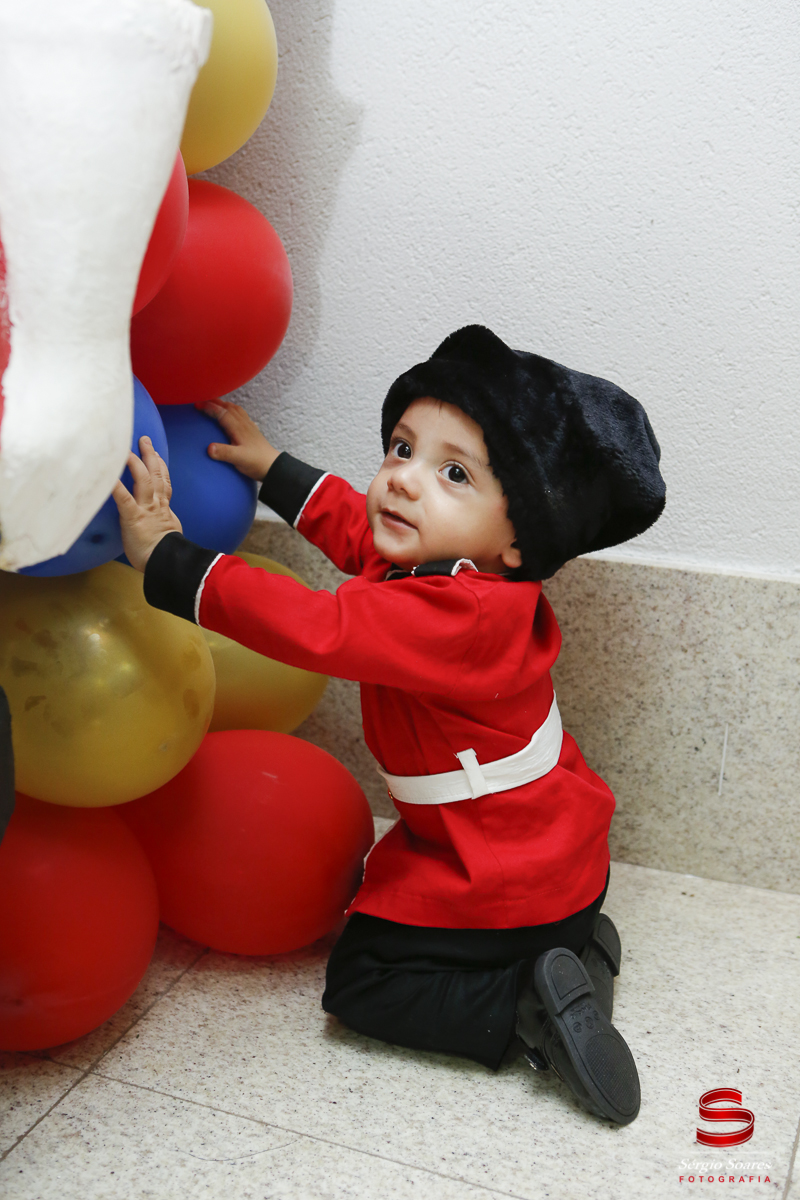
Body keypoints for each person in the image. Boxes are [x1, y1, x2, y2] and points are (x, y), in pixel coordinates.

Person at [113, 324, 666, 1126]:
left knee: (363, 982)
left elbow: (314, 624)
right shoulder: (462, 579)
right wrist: (273, 468)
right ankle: (578, 955)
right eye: (402, 448)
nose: (403, 479)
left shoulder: (454, 615)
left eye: (452, 473)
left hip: (505, 880)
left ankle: (523, 1005)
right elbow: (355, 527)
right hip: (567, 860)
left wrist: (170, 556)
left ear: (521, 538)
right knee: (420, 910)